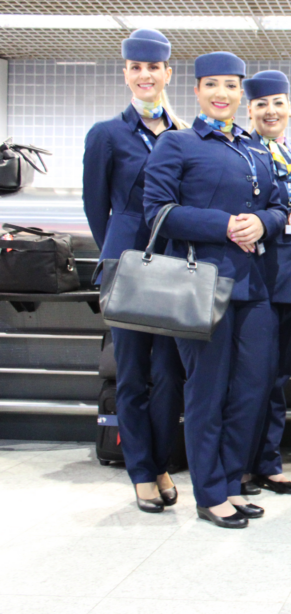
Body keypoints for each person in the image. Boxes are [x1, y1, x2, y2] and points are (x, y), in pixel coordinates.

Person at [144, 51, 287, 529]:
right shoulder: (177, 144)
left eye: (231, 85)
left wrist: (262, 223)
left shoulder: (256, 148)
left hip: (255, 288)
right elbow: (158, 212)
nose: (222, 94)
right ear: (196, 90)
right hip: (199, 283)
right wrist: (225, 225)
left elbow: (279, 206)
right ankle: (209, 492)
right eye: (212, 85)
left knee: (250, 390)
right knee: (207, 391)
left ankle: (230, 481)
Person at [82, 28, 186, 513]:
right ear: (126, 73)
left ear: (168, 72)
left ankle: (161, 461)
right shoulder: (108, 134)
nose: (145, 76)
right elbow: (95, 206)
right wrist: (119, 260)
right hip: (128, 266)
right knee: (132, 375)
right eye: (136, 67)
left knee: (170, 375)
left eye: (153, 68)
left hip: (172, 268)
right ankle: (141, 471)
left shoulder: (184, 134)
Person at [243, 70, 291, 495]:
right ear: (250, 110)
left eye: (278, 103)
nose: (271, 111)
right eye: (262, 104)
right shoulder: (241, 153)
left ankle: (268, 462)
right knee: (250, 376)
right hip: (255, 278)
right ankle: (240, 463)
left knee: (277, 377)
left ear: (289, 108)